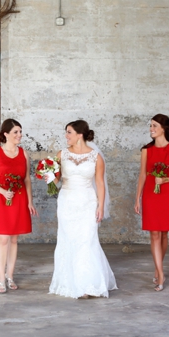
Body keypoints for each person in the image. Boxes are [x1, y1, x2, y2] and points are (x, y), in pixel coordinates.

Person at [48, 120, 117, 299]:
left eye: (69, 132)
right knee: (68, 240)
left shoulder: (96, 157)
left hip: (87, 202)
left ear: (80, 134)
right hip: (67, 201)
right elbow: (54, 184)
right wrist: (47, 176)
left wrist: (101, 206)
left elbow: (100, 184)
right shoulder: (61, 154)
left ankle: (88, 285)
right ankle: (69, 282)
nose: (66, 136)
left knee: (87, 241)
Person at [0, 119, 37, 293]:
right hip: (1, 199)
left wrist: (29, 201)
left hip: (19, 199)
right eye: (15, 132)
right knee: (3, 239)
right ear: (5, 134)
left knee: (14, 239)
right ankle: (0, 278)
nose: (19, 135)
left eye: (20, 131)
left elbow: (27, 179)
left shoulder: (24, 153)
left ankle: (10, 275)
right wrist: (2, 191)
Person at [134, 114, 169, 291]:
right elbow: (142, 175)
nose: (151, 129)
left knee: (164, 234)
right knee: (154, 234)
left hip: (167, 193)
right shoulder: (146, 150)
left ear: (164, 128)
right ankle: (160, 273)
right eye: (150, 126)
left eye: (154, 126)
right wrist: (138, 198)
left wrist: (165, 181)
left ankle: (158, 268)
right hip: (150, 192)